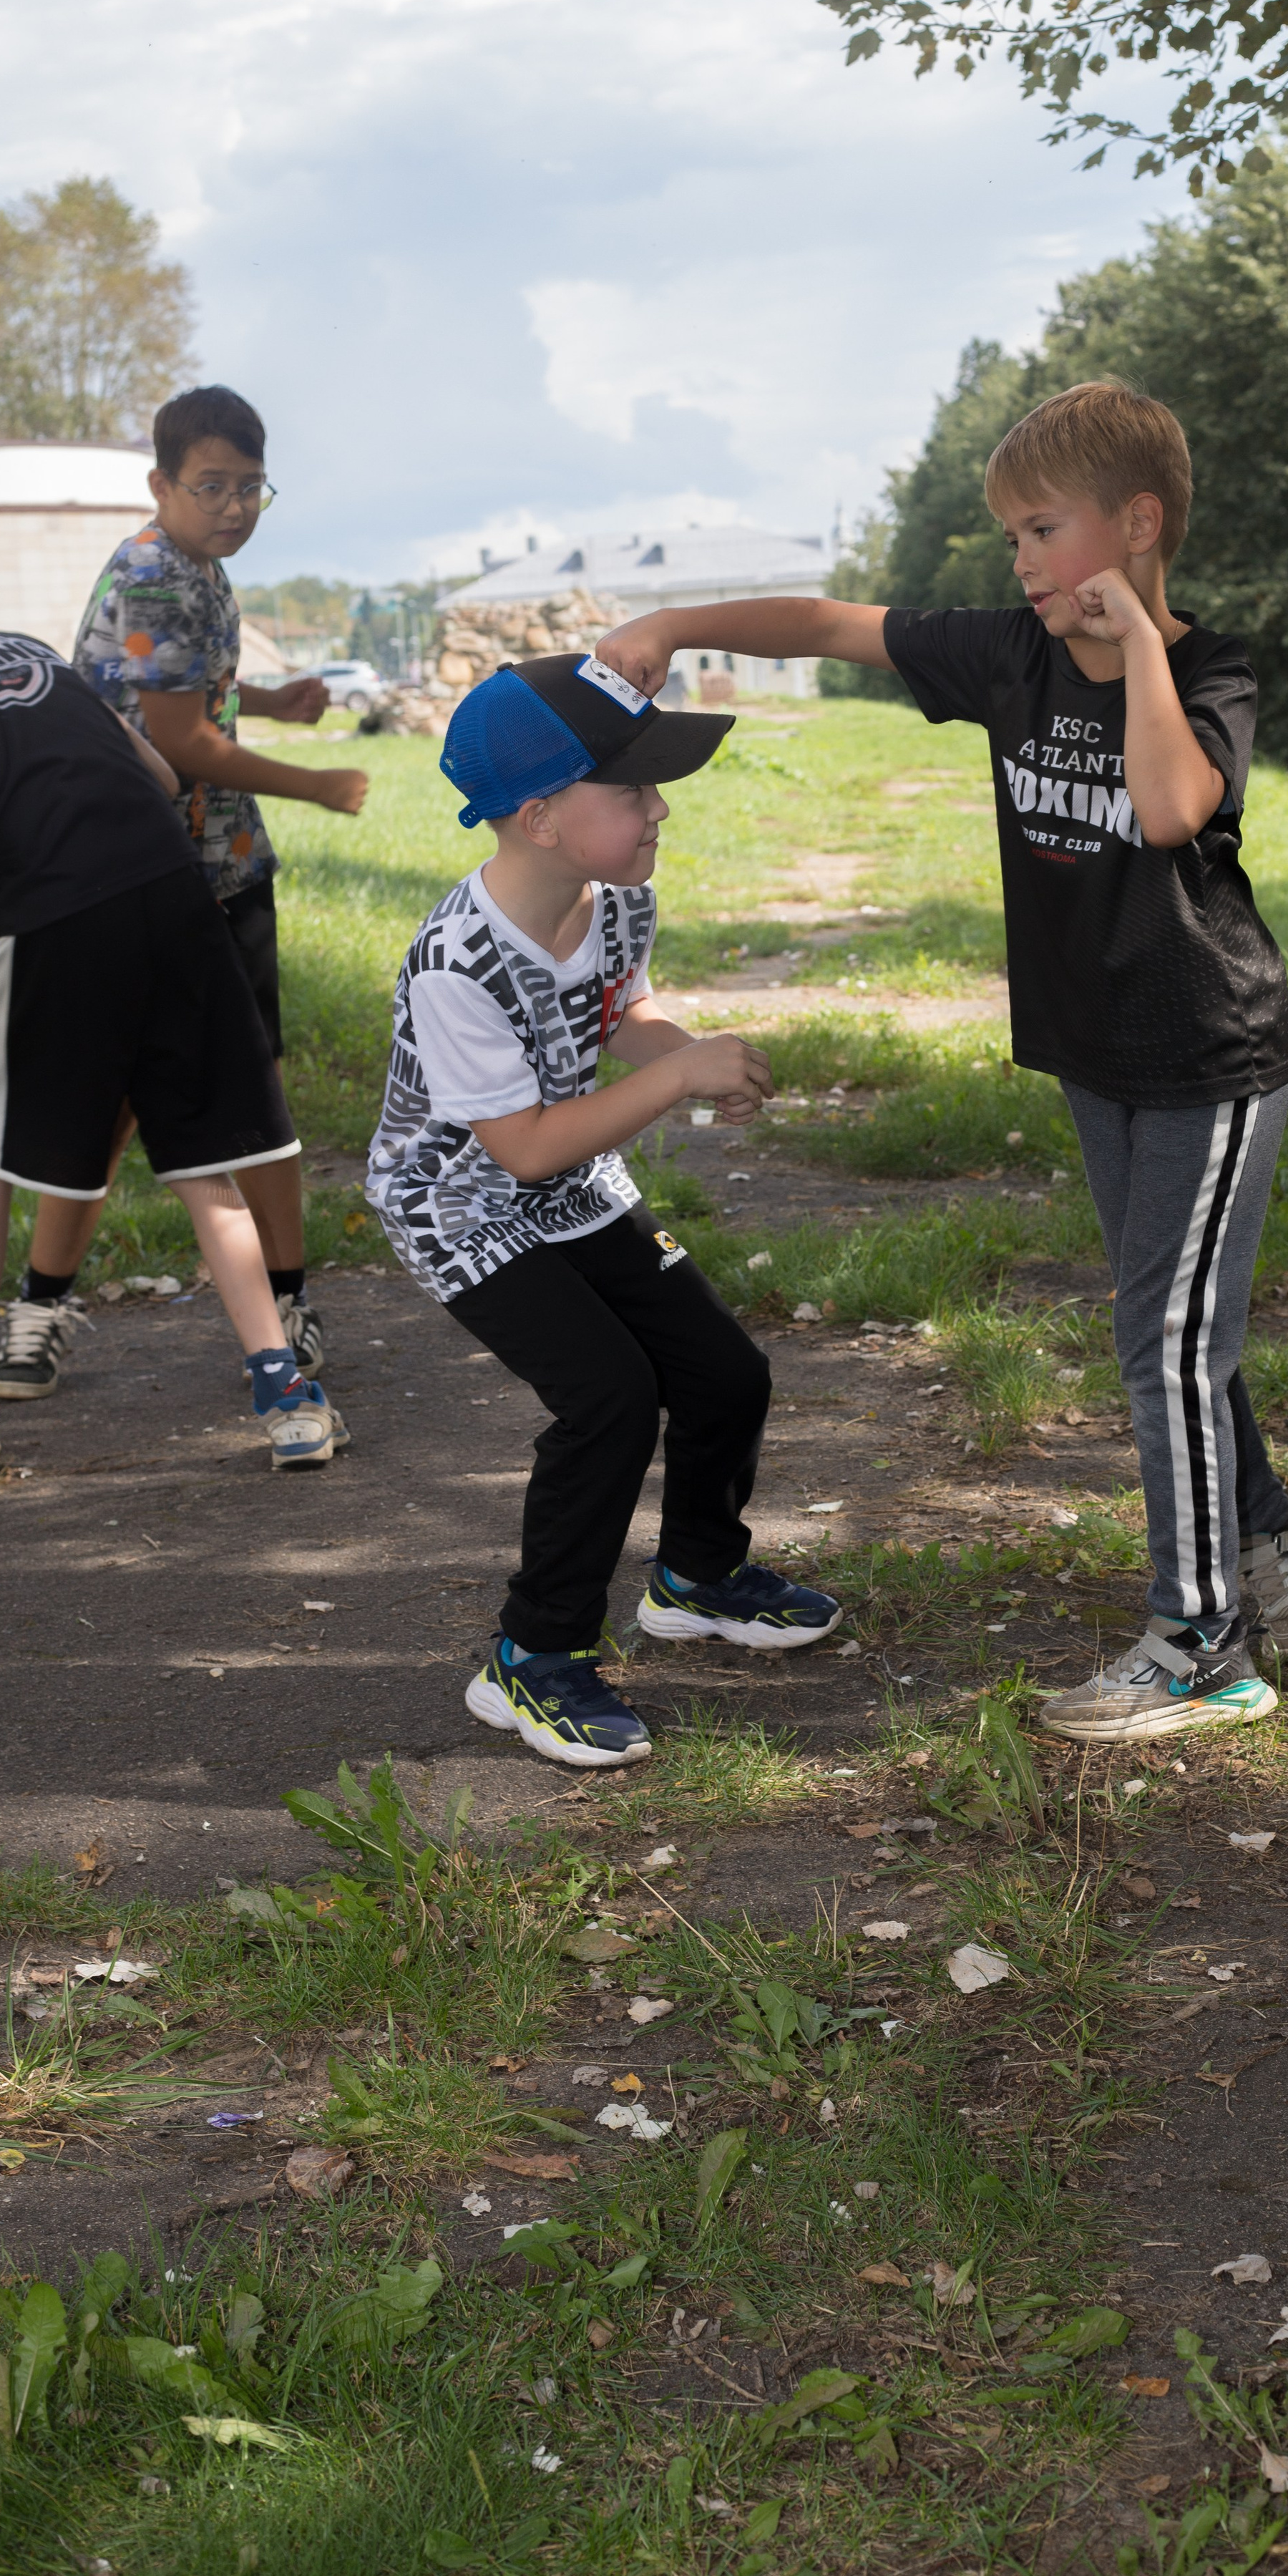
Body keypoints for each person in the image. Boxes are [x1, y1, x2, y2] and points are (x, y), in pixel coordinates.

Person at [592, 380, 1288, 1747]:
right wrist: (676, 624)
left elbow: (1171, 808)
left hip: (1210, 1053)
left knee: (1166, 1338)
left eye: (1043, 531)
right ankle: (1269, 1531)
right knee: (1175, 1326)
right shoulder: (1006, 654)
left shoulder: (1211, 672)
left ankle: (1202, 1645)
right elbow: (831, 625)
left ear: (1137, 524)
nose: (1022, 564)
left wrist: (1141, 647)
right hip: (1094, 1052)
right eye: (1012, 539)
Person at [365, 650, 840, 1769]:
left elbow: (621, 1012)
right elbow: (523, 1147)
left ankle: (698, 1577)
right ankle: (532, 1658)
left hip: (574, 1183)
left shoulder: (617, 896)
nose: (658, 807)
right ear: (540, 819)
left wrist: (689, 1053)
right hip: (462, 1208)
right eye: (630, 790)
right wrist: (674, 1081)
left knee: (726, 1372)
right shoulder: (456, 965)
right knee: (609, 1399)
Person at [0, 602, 348, 1477]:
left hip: (58, 920)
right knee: (202, 1156)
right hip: (175, 895)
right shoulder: (13, 643)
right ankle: (288, 1399)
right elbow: (158, 775)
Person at [0, 381, 369, 1404]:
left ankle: (284, 1301)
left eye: (252, 486)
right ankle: (40, 1309)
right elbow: (180, 740)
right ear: (161, 485)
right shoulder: (158, 573)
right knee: (116, 1100)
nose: (235, 505)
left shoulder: (198, 566)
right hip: (136, 881)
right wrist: (317, 783)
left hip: (220, 867)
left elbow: (186, 693)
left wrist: (276, 701)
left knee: (252, 1093)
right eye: (212, 486)